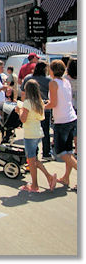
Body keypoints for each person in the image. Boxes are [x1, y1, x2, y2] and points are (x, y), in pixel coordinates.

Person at [16, 80, 57, 193]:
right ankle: (48, 178)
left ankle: (35, 185)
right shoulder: (39, 102)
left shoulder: (27, 103)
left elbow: (23, 119)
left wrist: (19, 110)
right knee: (34, 160)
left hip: (30, 134)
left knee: (31, 160)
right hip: (38, 132)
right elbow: (41, 117)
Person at [45, 60, 77, 191]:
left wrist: (42, 106)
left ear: (52, 70)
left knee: (60, 151)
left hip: (62, 121)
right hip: (71, 117)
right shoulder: (66, 82)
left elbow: (53, 103)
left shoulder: (53, 83)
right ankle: (66, 177)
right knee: (69, 151)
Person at [21, 60, 53, 161]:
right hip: (43, 107)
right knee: (45, 131)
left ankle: (33, 153)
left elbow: (22, 93)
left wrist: (24, 104)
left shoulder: (28, 78)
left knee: (32, 131)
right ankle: (46, 153)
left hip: (29, 106)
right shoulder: (48, 80)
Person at [65, 59, 77, 154]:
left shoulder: (66, 78)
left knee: (70, 127)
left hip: (70, 104)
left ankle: (69, 149)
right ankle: (77, 148)